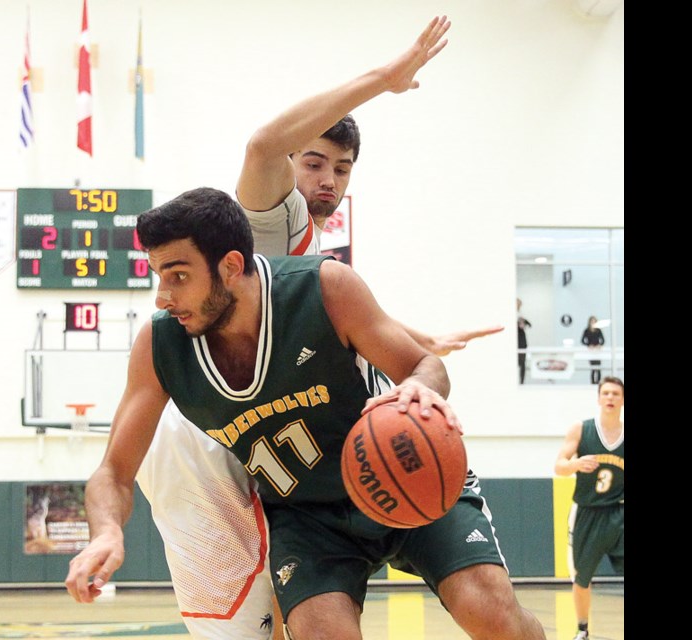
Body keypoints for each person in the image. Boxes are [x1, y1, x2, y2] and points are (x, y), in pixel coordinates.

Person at [130, 15, 504, 640]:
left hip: (283, 449)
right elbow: (262, 146)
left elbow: (316, 309)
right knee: (260, 628)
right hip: (212, 442)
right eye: (314, 161)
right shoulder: (266, 223)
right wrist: (385, 78)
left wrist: (418, 342)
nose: (328, 178)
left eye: (343, 167)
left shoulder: (309, 262)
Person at [66, 186, 544, 640]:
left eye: (178, 275)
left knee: (491, 614)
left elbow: (425, 363)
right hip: (308, 515)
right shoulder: (160, 346)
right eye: (158, 276)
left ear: (230, 266)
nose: (162, 296)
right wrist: (105, 531)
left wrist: (420, 391)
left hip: (406, 469)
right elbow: (113, 472)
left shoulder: (325, 288)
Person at [553, 376, 624, 640]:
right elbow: (559, 466)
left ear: (622, 400)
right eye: (605, 393)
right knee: (581, 578)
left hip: (618, 512)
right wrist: (575, 464)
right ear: (598, 398)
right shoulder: (581, 430)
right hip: (586, 513)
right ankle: (582, 629)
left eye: (615, 394)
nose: (610, 398)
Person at [581, 316, 605, 384]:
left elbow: (603, 340)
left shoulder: (598, 330)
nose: (593, 323)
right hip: (591, 351)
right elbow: (582, 340)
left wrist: (599, 345)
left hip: (597, 351)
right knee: (593, 368)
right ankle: (593, 383)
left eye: (594, 321)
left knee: (598, 367)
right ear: (589, 322)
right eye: (592, 321)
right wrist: (589, 345)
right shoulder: (587, 330)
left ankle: (599, 382)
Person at [517, 298, 531, 384]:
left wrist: (523, 323)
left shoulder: (520, 315)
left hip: (522, 343)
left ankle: (522, 382)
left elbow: (529, 325)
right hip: (515, 343)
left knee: (522, 363)